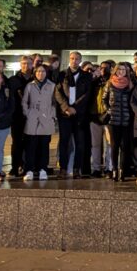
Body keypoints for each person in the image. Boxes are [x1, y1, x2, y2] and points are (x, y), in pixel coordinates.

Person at [54, 51, 92, 179]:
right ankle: (63, 169)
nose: (74, 61)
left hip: (79, 115)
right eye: (72, 58)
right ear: (69, 59)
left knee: (80, 143)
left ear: (80, 61)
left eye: (77, 59)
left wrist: (75, 108)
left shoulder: (86, 76)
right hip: (64, 114)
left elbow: (87, 94)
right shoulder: (62, 74)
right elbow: (58, 92)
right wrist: (66, 107)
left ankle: (76, 169)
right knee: (64, 142)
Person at [22, 64, 55, 181]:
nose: (41, 74)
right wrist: (28, 113)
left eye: (43, 71)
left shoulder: (52, 86)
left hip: (46, 118)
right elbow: (24, 101)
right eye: (38, 71)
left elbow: (54, 102)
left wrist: (52, 115)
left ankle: (43, 169)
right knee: (30, 147)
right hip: (32, 118)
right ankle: (29, 170)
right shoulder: (29, 86)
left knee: (44, 147)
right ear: (35, 73)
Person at [102, 63, 134, 182]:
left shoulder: (130, 84)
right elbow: (104, 99)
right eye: (119, 69)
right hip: (112, 120)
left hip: (126, 119)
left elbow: (133, 101)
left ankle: (122, 170)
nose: (121, 71)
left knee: (125, 146)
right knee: (114, 146)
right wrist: (108, 110)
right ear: (115, 70)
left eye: (123, 70)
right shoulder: (109, 83)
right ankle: (114, 169)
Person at [7, 55, 32, 177]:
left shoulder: (35, 79)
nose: (26, 66)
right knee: (16, 142)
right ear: (20, 65)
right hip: (17, 116)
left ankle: (27, 167)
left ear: (32, 65)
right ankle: (15, 167)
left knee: (30, 143)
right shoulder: (12, 80)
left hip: (32, 116)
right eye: (24, 63)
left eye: (28, 63)